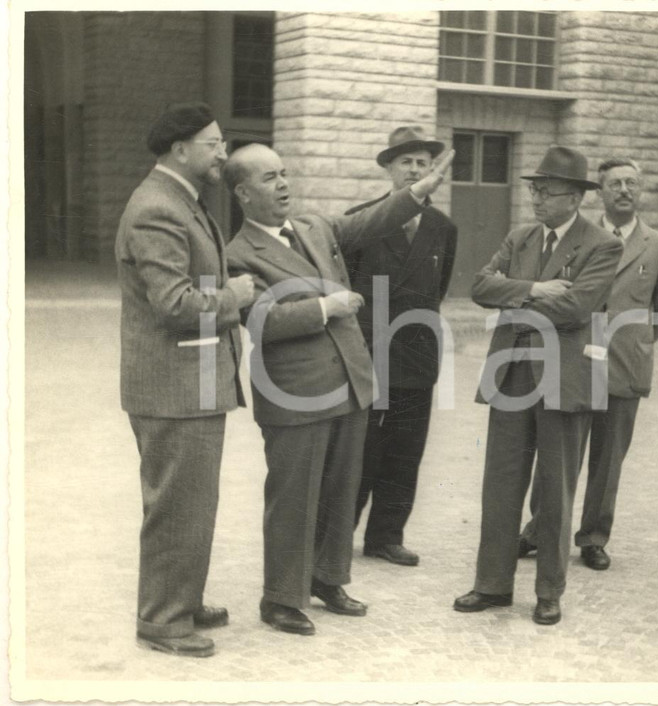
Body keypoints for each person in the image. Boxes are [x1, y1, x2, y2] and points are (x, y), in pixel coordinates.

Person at [224, 143, 454, 636]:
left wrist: (419, 191)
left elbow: (373, 220)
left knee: (339, 490)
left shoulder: (313, 226)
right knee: (294, 498)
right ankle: (281, 598)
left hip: (350, 382)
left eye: (284, 173)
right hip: (296, 395)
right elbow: (260, 321)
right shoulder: (237, 254)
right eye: (269, 178)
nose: (283, 184)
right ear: (243, 193)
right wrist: (327, 307)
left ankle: (328, 579)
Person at [453, 146, 623, 626]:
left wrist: (513, 304)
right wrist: (534, 290)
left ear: (574, 198)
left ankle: (549, 591)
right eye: (534, 189)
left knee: (555, 490)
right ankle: (491, 585)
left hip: (565, 379)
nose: (535, 198)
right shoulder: (521, 237)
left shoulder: (602, 245)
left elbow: (577, 308)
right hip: (512, 372)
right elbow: (480, 287)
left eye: (545, 191)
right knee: (500, 484)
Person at [116, 102, 255, 658]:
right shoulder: (158, 208)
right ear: (179, 149)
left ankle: (182, 597)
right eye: (213, 143)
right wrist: (234, 298)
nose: (223, 153)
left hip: (189, 380)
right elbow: (174, 305)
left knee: (192, 501)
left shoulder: (180, 201)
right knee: (178, 503)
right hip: (173, 386)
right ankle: (163, 621)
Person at [518, 157, 658, 571]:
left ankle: (593, 537)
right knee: (558, 453)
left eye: (631, 184)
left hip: (624, 365)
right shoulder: (578, 238)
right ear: (599, 192)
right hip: (574, 361)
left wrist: (634, 342)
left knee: (609, 460)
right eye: (615, 184)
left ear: (640, 190)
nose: (624, 190)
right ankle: (538, 528)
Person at [346, 126, 458, 567]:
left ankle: (387, 535)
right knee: (360, 448)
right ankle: (339, 533)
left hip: (415, 354)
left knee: (405, 450)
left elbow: (439, 287)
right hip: (368, 354)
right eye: (405, 162)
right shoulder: (362, 219)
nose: (414, 170)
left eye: (421, 162)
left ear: (432, 170)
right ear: (389, 169)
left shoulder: (443, 228)